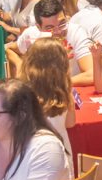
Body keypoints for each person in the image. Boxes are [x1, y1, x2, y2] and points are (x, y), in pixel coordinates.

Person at [20, 37, 76, 167]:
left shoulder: (23, 92)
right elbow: (71, 123)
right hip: (60, 153)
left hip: (32, 154)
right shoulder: (64, 91)